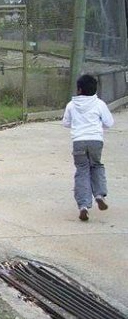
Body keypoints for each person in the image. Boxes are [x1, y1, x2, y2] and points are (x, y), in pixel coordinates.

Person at [62, 74, 114, 222]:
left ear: (79, 89)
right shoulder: (99, 104)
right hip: (96, 141)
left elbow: (66, 123)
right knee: (96, 166)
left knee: (82, 170)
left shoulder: (71, 105)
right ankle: (99, 194)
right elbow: (109, 122)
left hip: (78, 141)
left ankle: (83, 205)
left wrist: (78, 125)